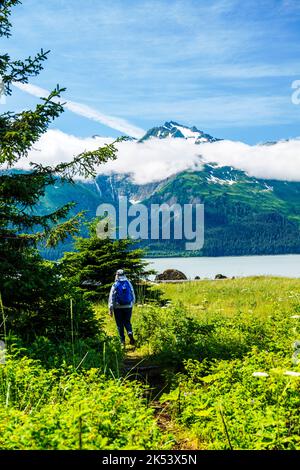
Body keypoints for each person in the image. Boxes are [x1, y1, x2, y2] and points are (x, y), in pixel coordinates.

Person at [108, 269, 136, 347]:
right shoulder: (128, 283)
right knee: (127, 322)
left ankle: (122, 341)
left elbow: (111, 297)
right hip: (128, 306)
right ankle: (130, 332)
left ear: (117, 275)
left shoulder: (115, 284)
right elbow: (132, 293)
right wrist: (132, 303)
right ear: (124, 275)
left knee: (119, 324)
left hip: (117, 307)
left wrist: (110, 309)